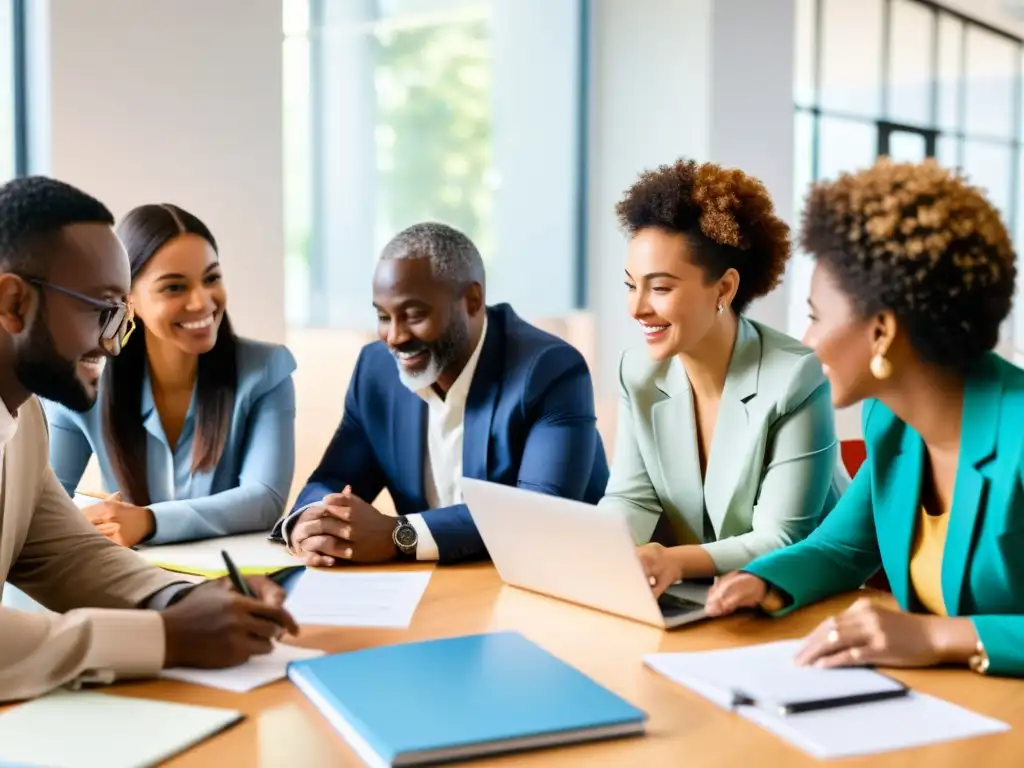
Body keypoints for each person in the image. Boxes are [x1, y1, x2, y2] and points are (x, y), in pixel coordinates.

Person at [706, 158, 1024, 677]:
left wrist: (937, 636)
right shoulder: (891, 421)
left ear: (881, 332)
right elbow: (843, 547)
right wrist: (763, 581)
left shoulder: (1018, 432)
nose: (806, 342)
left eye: (813, 317)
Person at [0, 176, 297, 702]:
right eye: (102, 309)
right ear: (12, 303)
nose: (114, 345)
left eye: (122, 316)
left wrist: (187, 599)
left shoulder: (25, 423)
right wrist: (166, 636)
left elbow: (66, 553)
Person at [273, 222, 608, 564]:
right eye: (384, 316)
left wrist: (399, 535)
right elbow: (331, 479)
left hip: (555, 580)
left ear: (473, 300)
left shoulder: (549, 369)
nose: (394, 336)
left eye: (414, 315)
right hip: (432, 588)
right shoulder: (376, 371)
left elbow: (537, 514)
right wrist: (309, 522)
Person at [600, 158, 848, 593]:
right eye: (629, 285)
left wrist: (672, 561)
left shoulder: (793, 377)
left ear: (725, 289)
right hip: (708, 597)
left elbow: (782, 538)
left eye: (659, 288)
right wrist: (592, 550)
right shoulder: (637, 371)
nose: (637, 307)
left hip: (796, 597)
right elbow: (631, 498)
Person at [42, 203, 296, 546]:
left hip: (233, 582)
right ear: (127, 299)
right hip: (124, 582)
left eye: (211, 278)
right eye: (174, 287)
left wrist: (148, 521)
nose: (202, 302)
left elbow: (265, 498)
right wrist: (83, 522)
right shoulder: (82, 381)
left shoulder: (266, 369)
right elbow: (42, 509)